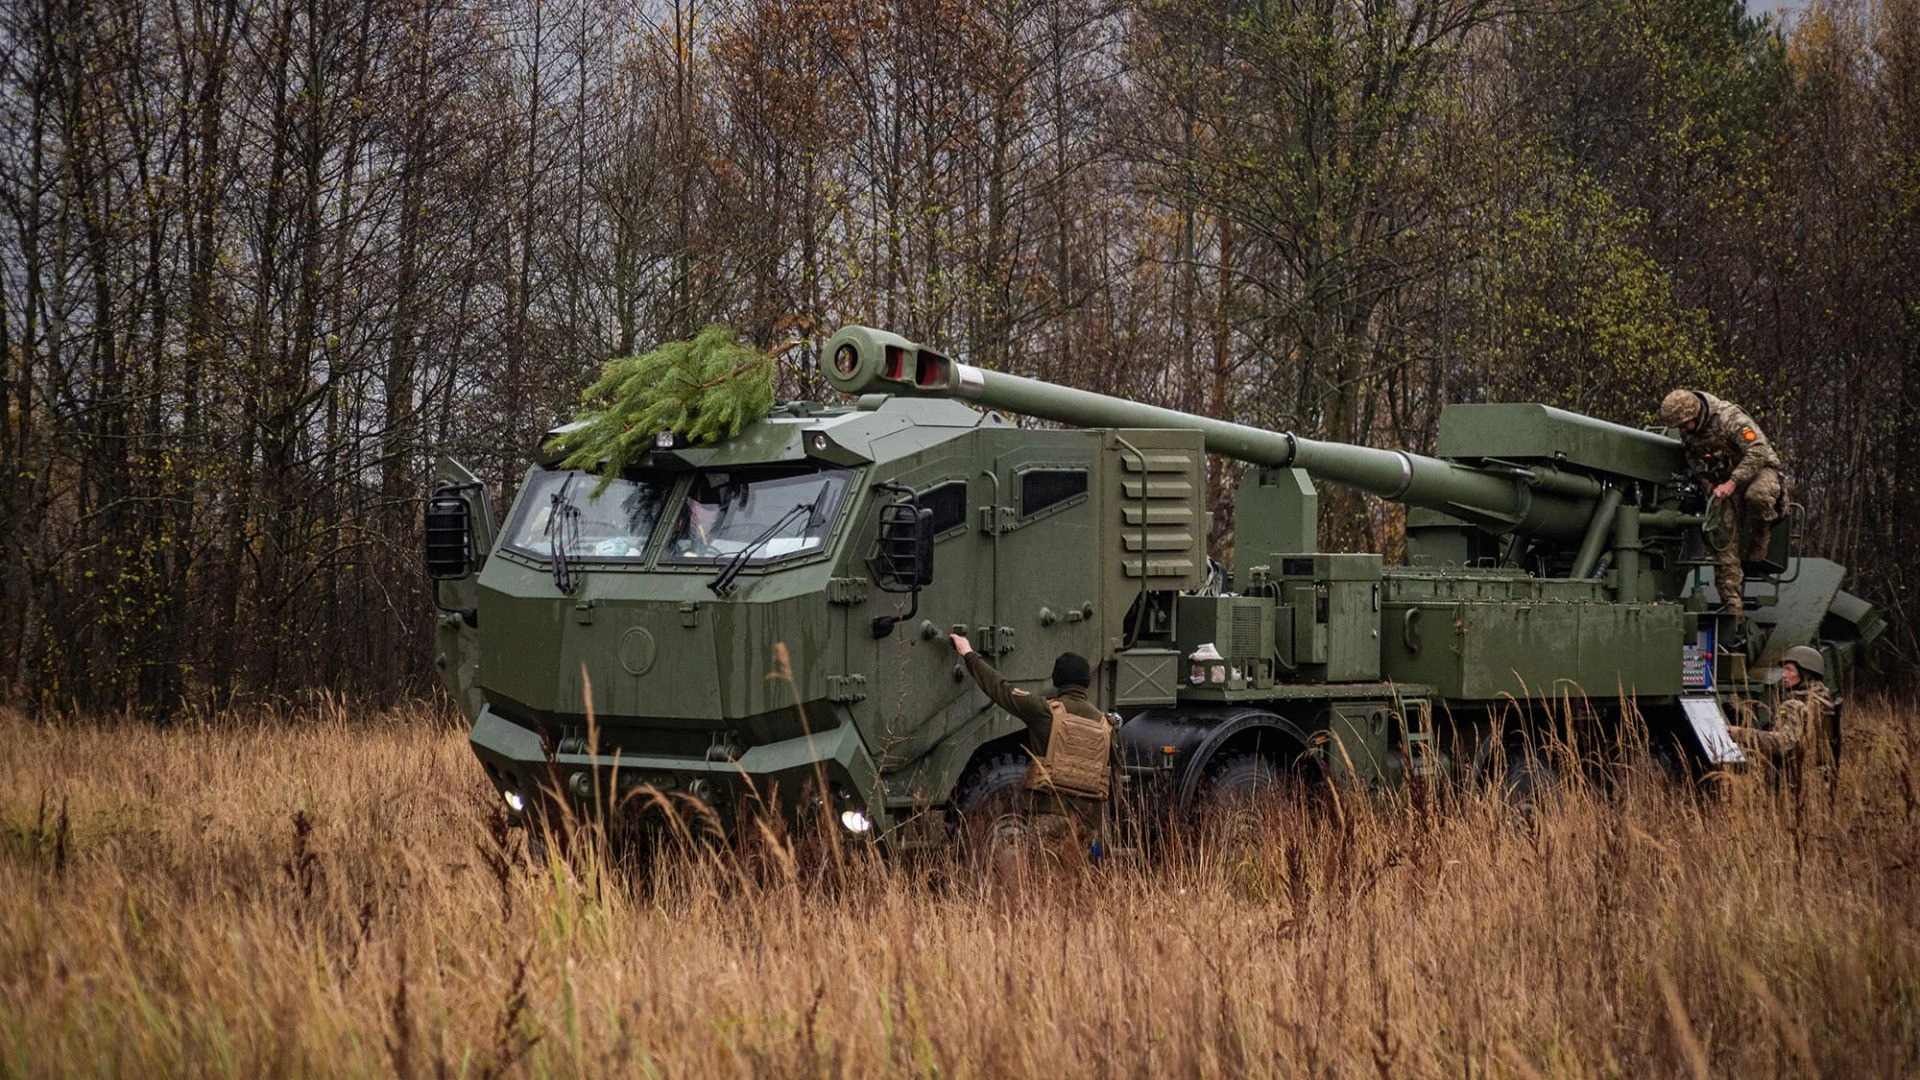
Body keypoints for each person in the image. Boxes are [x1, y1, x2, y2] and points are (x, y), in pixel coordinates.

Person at [949, 634, 1110, 853]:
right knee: (1079, 883)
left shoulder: (1046, 713)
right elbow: (1110, 779)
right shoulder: (1105, 725)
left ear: (1056, 679)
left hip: (1050, 818)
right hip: (1090, 826)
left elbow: (1000, 689)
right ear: (1086, 682)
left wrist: (968, 653)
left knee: (1046, 881)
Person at [1659, 389, 1786, 627]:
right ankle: (1734, 617)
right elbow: (1693, 459)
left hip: (1758, 472)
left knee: (1758, 496)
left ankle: (1762, 531)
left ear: (1695, 413)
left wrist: (1732, 483)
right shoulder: (1689, 431)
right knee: (1721, 543)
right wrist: (1705, 481)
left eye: (1685, 425)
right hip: (1722, 480)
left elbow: (1757, 450)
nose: (1683, 431)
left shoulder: (1730, 418)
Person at [1729, 645, 1835, 783]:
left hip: (1797, 783)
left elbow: (1783, 743)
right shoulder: (1824, 700)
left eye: (1789, 669)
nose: (1783, 675)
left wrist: (1741, 733)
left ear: (1805, 673)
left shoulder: (1793, 705)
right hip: (1823, 778)